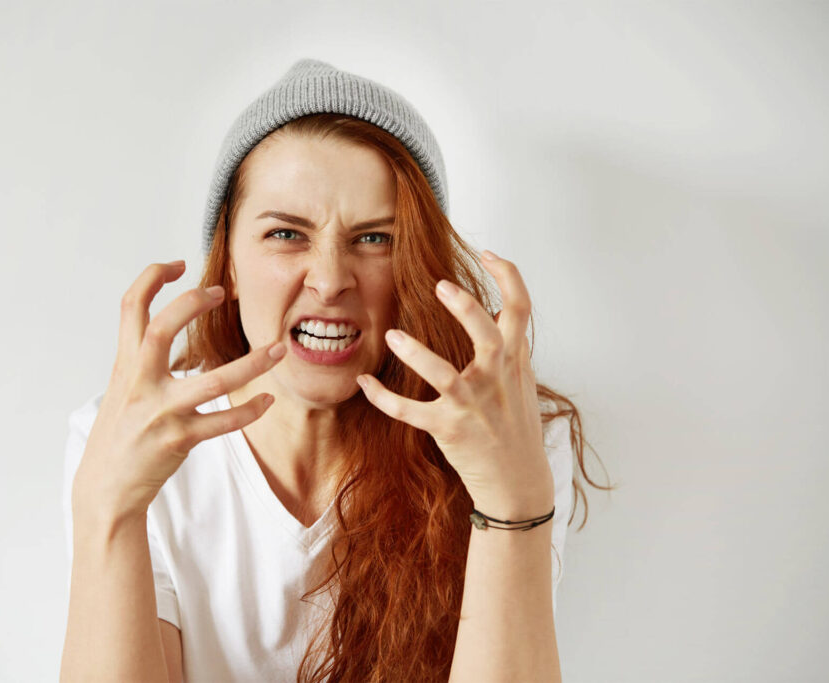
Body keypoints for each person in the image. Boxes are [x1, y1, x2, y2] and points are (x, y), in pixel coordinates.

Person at [60, 58, 608, 682]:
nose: (329, 281)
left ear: (418, 268)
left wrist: (512, 501)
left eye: (375, 238)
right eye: (287, 234)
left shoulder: (512, 440)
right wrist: (109, 510)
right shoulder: (127, 438)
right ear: (229, 263)